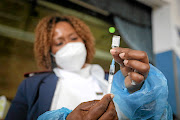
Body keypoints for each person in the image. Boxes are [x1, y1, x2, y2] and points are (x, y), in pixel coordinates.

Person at [5, 15, 172, 120]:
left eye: (73, 38)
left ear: (84, 41)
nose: (69, 46)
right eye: (59, 43)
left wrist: (138, 93)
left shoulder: (111, 78)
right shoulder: (32, 85)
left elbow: (152, 115)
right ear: (50, 52)